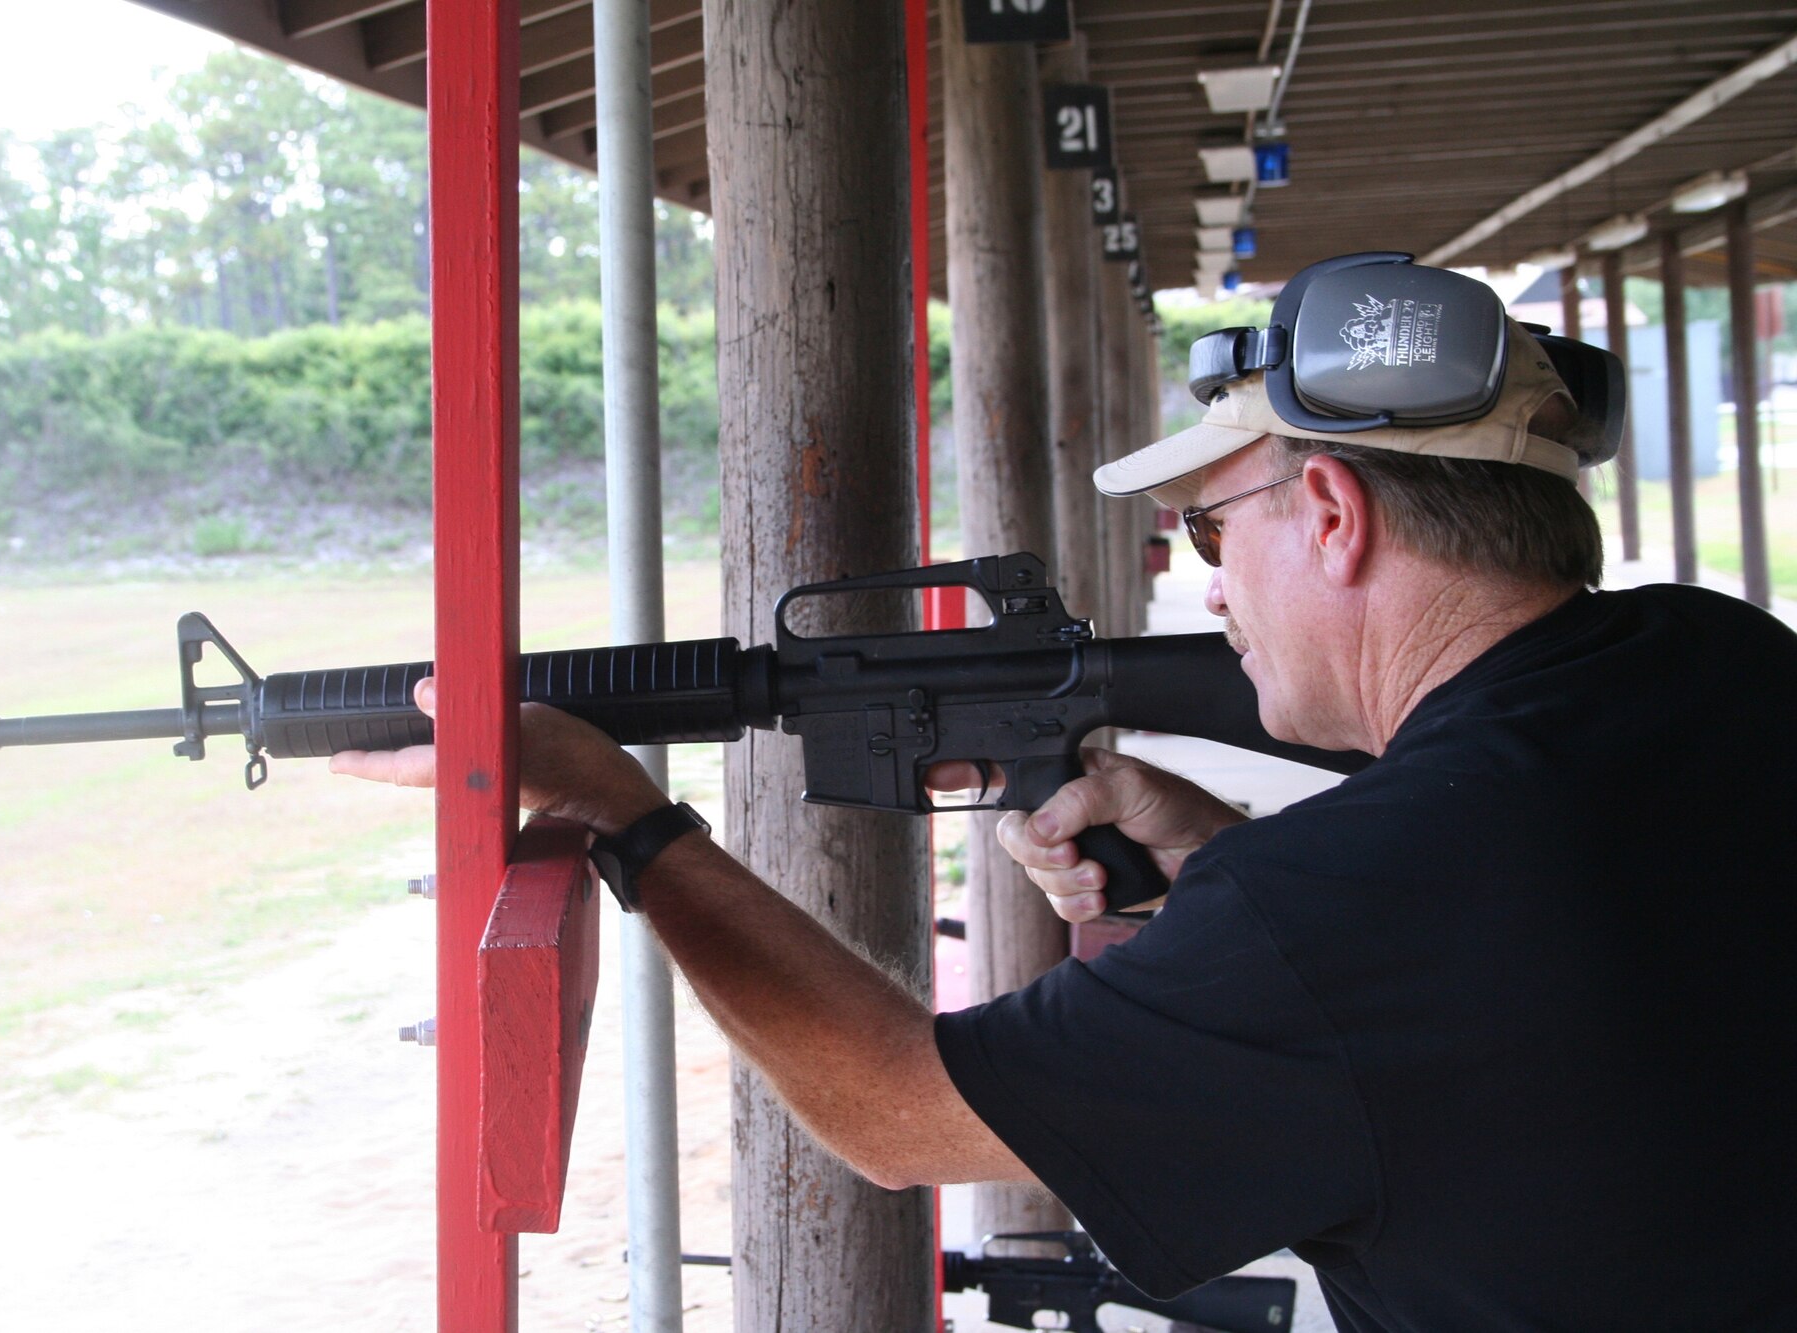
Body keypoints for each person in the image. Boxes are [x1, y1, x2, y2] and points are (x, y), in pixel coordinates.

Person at [334, 315, 1797, 1330]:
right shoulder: (1723, 663)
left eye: (1214, 531)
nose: (1209, 584)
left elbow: (898, 1115)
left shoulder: (1338, 907)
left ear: (1336, 510)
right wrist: (1222, 856)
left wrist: (629, 818)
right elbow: (1514, 973)